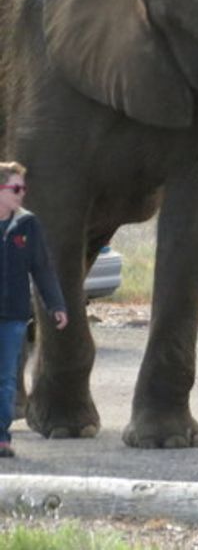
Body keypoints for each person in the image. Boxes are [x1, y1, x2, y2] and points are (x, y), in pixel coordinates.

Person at [0, 161, 68, 458]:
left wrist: (56, 305)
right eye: (16, 188)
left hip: (13, 317)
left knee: (6, 379)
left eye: (23, 188)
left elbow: (42, 269)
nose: (21, 194)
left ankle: (1, 436)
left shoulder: (28, 225)